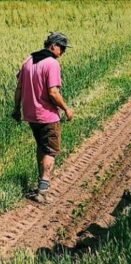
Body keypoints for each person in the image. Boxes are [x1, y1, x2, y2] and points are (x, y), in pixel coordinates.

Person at [12, 32, 74, 202]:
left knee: (41, 147)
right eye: (61, 48)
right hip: (47, 116)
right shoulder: (51, 63)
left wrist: (17, 109)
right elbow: (53, 92)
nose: (62, 52)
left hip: (31, 115)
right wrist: (66, 109)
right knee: (51, 151)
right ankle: (42, 191)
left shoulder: (28, 60)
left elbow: (19, 88)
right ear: (53, 45)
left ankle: (41, 185)